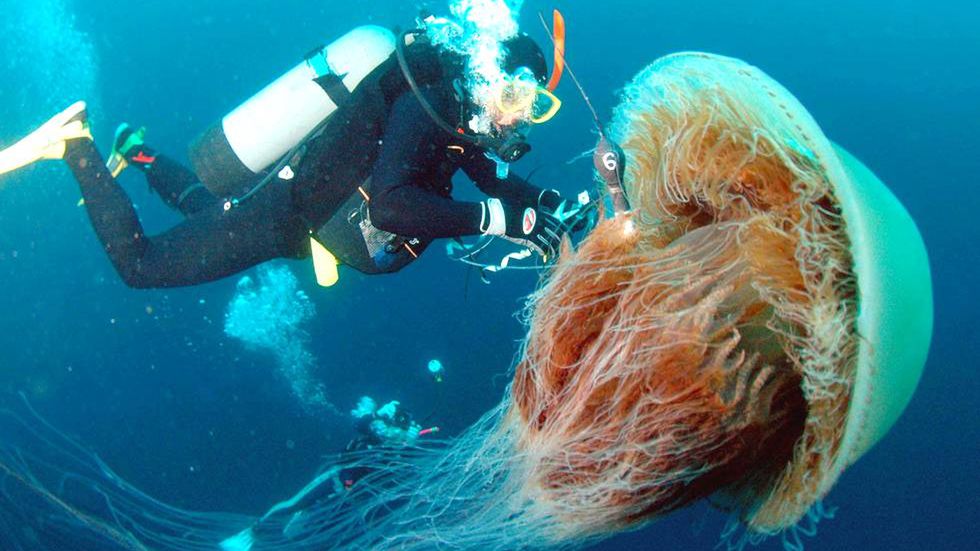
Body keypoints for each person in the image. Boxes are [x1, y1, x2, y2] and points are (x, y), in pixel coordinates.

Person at [0, 21, 588, 289]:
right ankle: (76, 144)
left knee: (207, 208)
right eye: (516, 95)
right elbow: (391, 209)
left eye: (535, 106)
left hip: (304, 221)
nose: (517, 114)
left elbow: (490, 176)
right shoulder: (426, 103)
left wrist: (548, 204)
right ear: (486, 77)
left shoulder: (458, 117)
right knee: (143, 267)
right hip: (288, 212)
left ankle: (136, 151)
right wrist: (497, 221)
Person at [219, 397, 436, 551]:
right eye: (390, 416)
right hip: (337, 480)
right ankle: (251, 532)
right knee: (295, 504)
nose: (391, 425)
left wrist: (409, 443)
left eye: (397, 419)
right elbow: (360, 424)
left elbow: (402, 468)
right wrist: (377, 415)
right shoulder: (374, 425)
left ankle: (298, 523)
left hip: (360, 497)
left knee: (347, 533)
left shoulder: (403, 445)